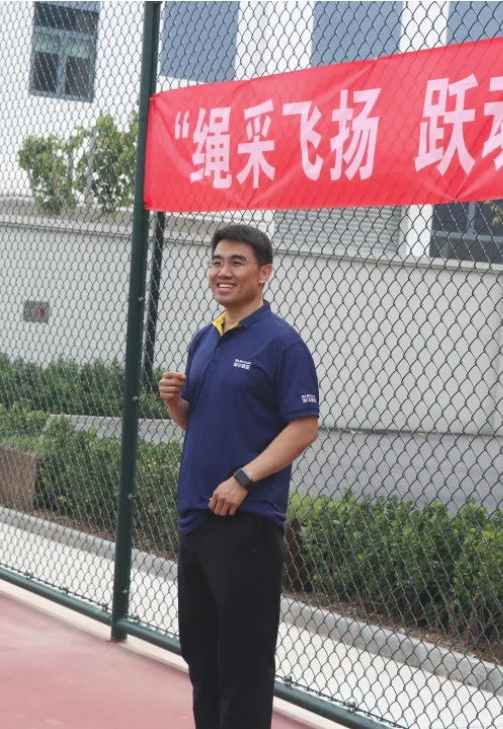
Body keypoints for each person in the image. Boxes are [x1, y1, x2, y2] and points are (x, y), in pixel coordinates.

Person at [158, 224, 321, 729]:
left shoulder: (282, 344)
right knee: (202, 657)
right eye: (216, 261)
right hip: (196, 518)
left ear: (264, 273)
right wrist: (174, 402)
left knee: (243, 664)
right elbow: (196, 421)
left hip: (248, 523)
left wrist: (244, 479)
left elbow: (304, 427)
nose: (222, 271)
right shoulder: (205, 338)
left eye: (236, 262)